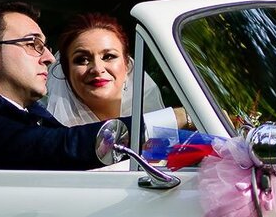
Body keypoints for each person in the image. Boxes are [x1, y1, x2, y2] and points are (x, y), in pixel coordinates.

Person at [0, 1, 111, 169]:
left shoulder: (25, 114)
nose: (49, 58)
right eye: (33, 44)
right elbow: (57, 148)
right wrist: (138, 128)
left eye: (45, 46)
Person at [45, 11, 194, 134]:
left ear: (127, 65)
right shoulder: (59, 137)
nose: (97, 68)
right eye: (82, 59)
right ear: (66, 71)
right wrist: (179, 117)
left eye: (109, 56)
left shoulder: (165, 129)